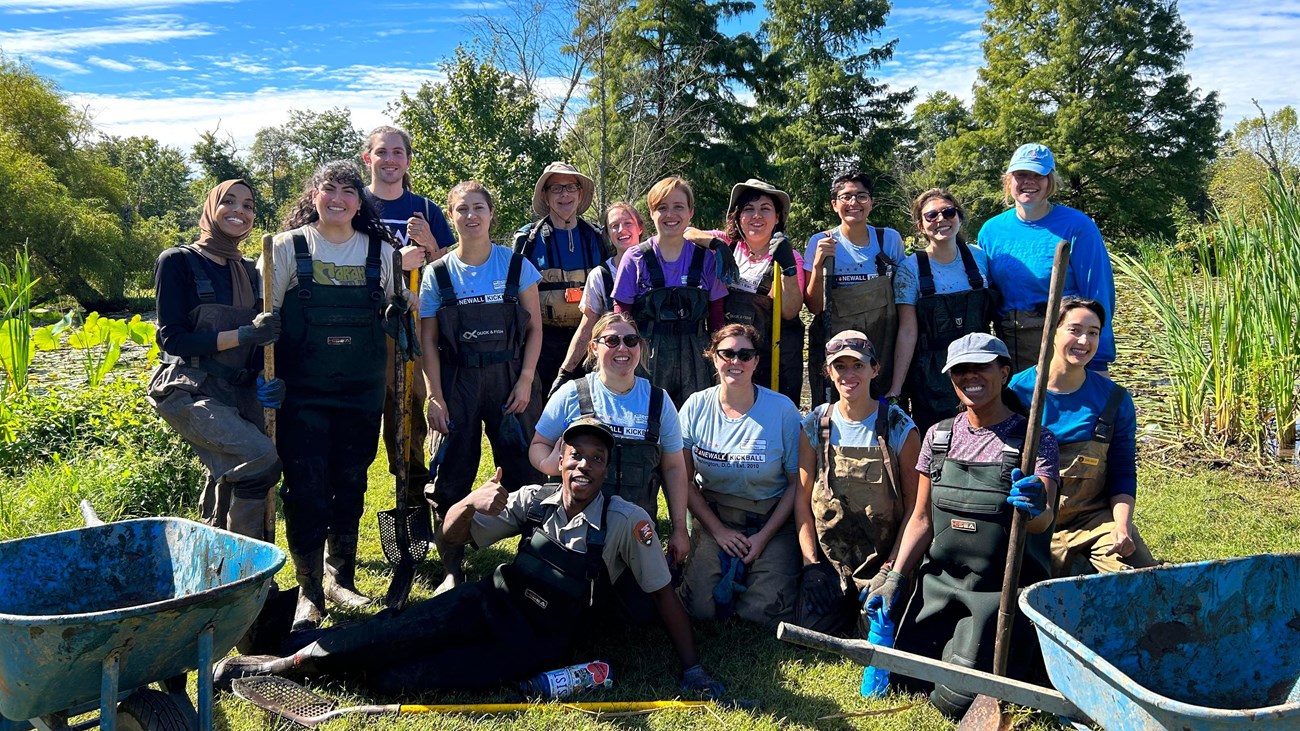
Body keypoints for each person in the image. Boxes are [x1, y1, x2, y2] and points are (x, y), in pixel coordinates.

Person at [214, 420, 725, 699]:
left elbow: (661, 594)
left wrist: (693, 669)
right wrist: (467, 504)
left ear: (607, 467)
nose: (584, 465)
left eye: (596, 458)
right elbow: (452, 539)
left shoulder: (626, 522)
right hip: (484, 602)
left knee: (399, 678)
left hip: (534, 641)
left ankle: (310, 660)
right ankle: (276, 661)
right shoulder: (535, 499)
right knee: (386, 634)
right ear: (561, 459)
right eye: (576, 455)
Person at [884, 332, 1059, 718]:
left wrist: (1034, 505)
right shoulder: (939, 436)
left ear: (1004, 372)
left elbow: (1044, 519)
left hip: (997, 596)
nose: (970, 376)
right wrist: (896, 577)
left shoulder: (1033, 441)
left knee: (954, 701)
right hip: (939, 587)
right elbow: (922, 518)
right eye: (960, 370)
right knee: (904, 681)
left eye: (981, 366)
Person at [263, 161, 404, 630]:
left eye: (349, 190)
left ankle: (341, 576)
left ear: (360, 202)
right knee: (306, 489)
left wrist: (401, 315)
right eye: (329, 189)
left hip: (360, 393)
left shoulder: (382, 252)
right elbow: (265, 319)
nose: (339, 198)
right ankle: (308, 592)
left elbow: (402, 317)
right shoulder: (285, 248)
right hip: (301, 395)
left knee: (352, 483)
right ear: (314, 195)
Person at [421, 180, 544, 593]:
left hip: (511, 379)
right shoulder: (437, 274)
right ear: (451, 216)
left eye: (478, 208)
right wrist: (435, 396)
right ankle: (452, 567)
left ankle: (533, 557)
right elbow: (428, 343)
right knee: (452, 472)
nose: (470, 216)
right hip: (458, 383)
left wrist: (526, 380)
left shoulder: (516, 266)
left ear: (492, 214)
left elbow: (535, 330)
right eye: (461, 209)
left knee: (528, 466)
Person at [148, 179, 282, 542]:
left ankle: (227, 570)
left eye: (249, 205)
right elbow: (172, 338)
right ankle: (246, 562)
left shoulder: (255, 271)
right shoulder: (178, 261)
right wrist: (242, 335)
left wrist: (266, 379)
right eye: (230, 202)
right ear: (211, 207)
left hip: (237, 390)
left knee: (228, 475)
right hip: (188, 389)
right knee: (259, 459)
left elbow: (261, 345)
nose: (240, 210)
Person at [1009, 298, 1157, 577]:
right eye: (1074, 330)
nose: (1084, 340)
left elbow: (1122, 471)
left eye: (1093, 332)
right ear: (1052, 331)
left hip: (1094, 521)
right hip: (1032, 521)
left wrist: (1122, 527)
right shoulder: (1015, 393)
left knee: (1143, 584)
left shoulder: (1114, 399)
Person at [531, 312, 691, 565]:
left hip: (636, 531)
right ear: (594, 347)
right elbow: (539, 444)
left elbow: (674, 467)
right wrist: (548, 464)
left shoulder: (659, 401)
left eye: (630, 340)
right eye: (612, 341)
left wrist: (680, 529)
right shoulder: (572, 393)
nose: (623, 348)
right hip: (575, 529)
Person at [793, 331, 920, 636]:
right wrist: (811, 567)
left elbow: (916, 508)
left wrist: (893, 571)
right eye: (840, 367)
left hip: (882, 563)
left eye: (858, 366)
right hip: (831, 563)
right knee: (811, 635)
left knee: (878, 639)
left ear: (875, 369)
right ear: (829, 372)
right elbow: (801, 501)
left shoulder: (899, 426)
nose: (849, 375)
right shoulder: (816, 423)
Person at [678, 324, 803, 628]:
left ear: (757, 361)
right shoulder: (696, 406)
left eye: (745, 355)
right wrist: (718, 531)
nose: (736, 362)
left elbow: (795, 484)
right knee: (700, 611)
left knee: (760, 615)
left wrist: (763, 538)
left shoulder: (783, 410)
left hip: (769, 519)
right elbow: (682, 479)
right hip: (715, 518)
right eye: (727, 353)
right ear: (713, 357)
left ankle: (765, 568)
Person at [362, 125, 456, 526]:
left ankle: (414, 502)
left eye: (398, 152)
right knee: (370, 416)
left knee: (412, 420)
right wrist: (393, 262)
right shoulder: (355, 204)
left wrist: (432, 245)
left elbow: (448, 266)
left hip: (416, 330)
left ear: (408, 160)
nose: (390, 160)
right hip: (367, 330)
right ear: (368, 158)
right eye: (382, 152)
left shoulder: (424, 208)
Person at [978, 143, 1116, 372]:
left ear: (1050, 181)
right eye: (1022, 174)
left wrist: (1098, 360)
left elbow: (1099, 294)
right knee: (1017, 406)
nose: (1029, 182)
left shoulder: (1078, 227)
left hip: (1065, 343)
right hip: (1012, 345)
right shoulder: (991, 231)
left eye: (1038, 175)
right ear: (1009, 180)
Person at [611, 176, 729, 409]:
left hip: (696, 358)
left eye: (678, 207)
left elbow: (717, 320)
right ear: (652, 213)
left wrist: (721, 360)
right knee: (647, 421)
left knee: (694, 425)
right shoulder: (634, 258)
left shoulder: (706, 259)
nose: (670, 214)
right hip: (647, 358)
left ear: (690, 212)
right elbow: (620, 318)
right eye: (662, 208)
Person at [685, 179, 806, 405]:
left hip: (768, 360)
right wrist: (715, 244)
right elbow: (687, 232)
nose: (756, 216)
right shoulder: (727, 243)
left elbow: (790, 312)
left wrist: (788, 269)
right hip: (728, 357)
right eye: (748, 209)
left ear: (778, 217)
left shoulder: (789, 257)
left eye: (765, 209)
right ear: (738, 216)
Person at [888, 189, 996, 434]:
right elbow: (907, 331)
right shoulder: (910, 269)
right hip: (932, 375)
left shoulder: (979, 258)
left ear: (958, 216)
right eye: (932, 215)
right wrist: (896, 387)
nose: (941, 219)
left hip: (980, 364)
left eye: (948, 212)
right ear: (920, 226)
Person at [805, 172, 905, 406]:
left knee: (881, 409)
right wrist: (819, 265)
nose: (854, 203)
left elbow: (901, 296)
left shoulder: (889, 239)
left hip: (882, 346)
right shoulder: (820, 241)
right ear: (834, 204)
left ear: (871, 202)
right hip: (835, 347)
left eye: (861, 196)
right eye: (846, 197)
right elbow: (814, 306)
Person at [513, 162, 611, 398]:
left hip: (591, 342)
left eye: (570, 187)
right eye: (556, 188)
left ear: (580, 193)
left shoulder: (598, 237)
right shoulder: (528, 239)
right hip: (542, 342)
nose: (564, 194)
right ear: (545, 196)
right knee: (544, 411)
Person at [550, 202, 645, 397]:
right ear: (608, 234)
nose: (621, 230)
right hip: (615, 366)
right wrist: (565, 372)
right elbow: (587, 328)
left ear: (640, 227)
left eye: (628, 223)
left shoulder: (662, 265)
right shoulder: (600, 275)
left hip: (655, 363)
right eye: (614, 226)